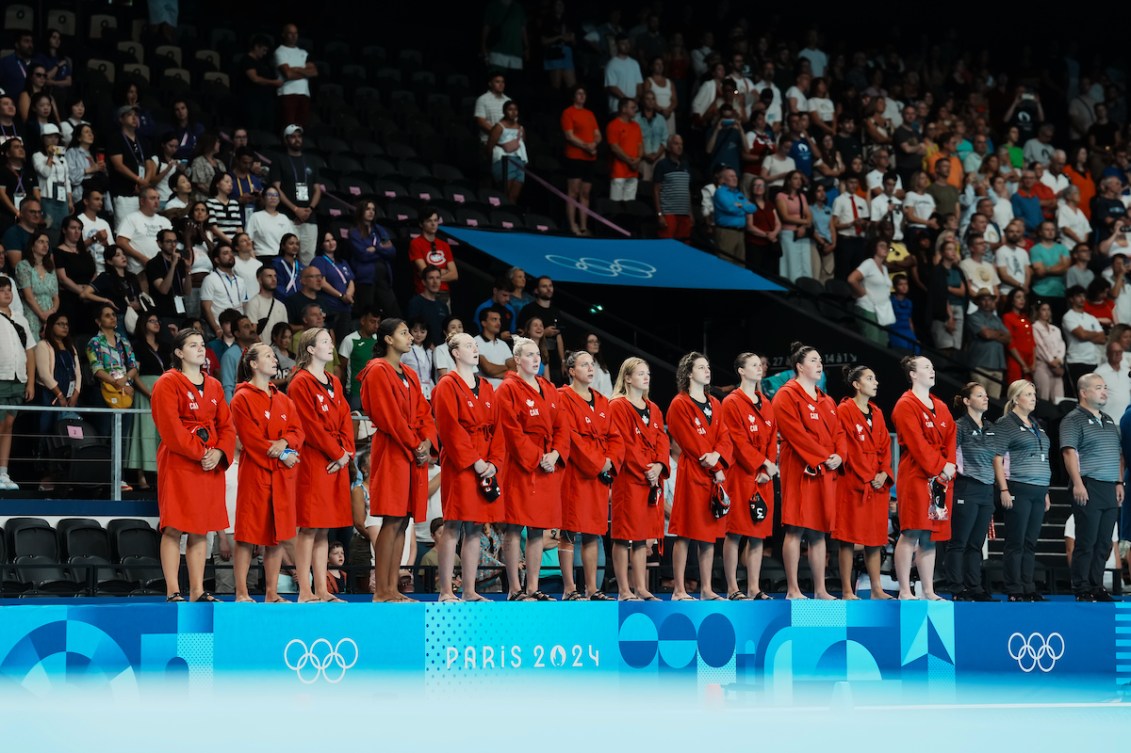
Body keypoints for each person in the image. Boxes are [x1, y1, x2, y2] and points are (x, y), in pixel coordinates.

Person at [150, 329, 235, 602]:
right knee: (174, 526)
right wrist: (202, 452)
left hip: (209, 463)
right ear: (178, 352)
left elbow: (227, 426)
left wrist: (220, 452)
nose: (200, 349)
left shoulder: (214, 385)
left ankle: (198, 590)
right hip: (180, 462)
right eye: (193, 345)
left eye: (201, 345)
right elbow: (170, 428)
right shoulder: (167, 382)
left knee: (201, 527)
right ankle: (173, 590)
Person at [357, 318, 437, 602]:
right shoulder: (377, 370)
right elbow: (387, 416)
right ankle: (381, 590)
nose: (410, 337)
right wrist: (416, 443)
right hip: (392, 450)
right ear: (388, 339)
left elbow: (424, 413)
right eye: (404, 332)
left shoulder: (410, 374)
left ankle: (393, 588)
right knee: (391, 520)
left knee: (403, 520)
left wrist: (427, 441)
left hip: (413, 453)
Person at [431, 332, 505, 602]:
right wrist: (475, 461)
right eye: (469, 346)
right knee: (454, 525)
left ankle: (470, 590)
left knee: (476, 527)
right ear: (455, 353)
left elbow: (498, 429)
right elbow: (450, 429)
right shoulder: (446, 385)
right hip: (462, 463)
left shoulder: (486, 386)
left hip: (486, 463)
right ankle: (446, 590)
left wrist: (494, 462)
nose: (475, 349)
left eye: (476, 346)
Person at [494, 336, 569, 600]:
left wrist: (555, 453)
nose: (536, 359)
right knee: (515, 526)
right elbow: (511, 431)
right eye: (529, 355)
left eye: (538, 354)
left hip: (548, 463)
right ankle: (515, 588)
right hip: (521, 466)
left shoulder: (548, 387)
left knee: (539, 528)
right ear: (517, 359)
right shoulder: (507, 388)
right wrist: (539, 457)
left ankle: (533, 587)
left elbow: (562, 426)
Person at [230, 343, 304, 603]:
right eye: (268, 356)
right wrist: (284, 454)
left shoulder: (283, 399)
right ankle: (242, 592)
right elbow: (251, 440)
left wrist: (284, 443)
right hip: (257, 474)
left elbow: (297, 431)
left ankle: (271, 593)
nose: (275, 359)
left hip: (282, 476)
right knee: (247, 535)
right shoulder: (241, 397)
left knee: (277, 535)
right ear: (253, 364)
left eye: (274, 355)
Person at [288, 328, 355, 603]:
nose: (331, 345)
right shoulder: (299, 383)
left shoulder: (334, 382)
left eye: (331, 340)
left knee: (324, 528)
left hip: (336, 461)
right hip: (315, 460)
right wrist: (337, 452)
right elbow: (309, 426)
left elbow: (346, 417)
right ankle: (305, 589)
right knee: (309, 527)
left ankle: (322, 589)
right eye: (325, 342)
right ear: (311, 349)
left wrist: (347, 452)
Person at [772, 342, 843, 600]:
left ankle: (820, 589)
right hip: (799, 468)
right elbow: (794, 433)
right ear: (799, 367)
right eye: (813, 360)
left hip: (824, 470)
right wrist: (824, 456)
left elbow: (839, 432)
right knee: (796, 527)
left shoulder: (826, 399)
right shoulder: (786, 395)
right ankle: (793, 589)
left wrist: (839, 455)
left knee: (818, 530)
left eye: (820, 360)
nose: (819, 364)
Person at [557, 350, 624, 601]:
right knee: (569, 530)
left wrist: (610, 461)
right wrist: (598, 462)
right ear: (572, 371)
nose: (590, 368)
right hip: (576, 473)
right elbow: (570, 438)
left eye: (592, 364)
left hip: (598, 474)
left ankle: (592, 589)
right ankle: (569, 588)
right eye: (584, 364)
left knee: (593, 532)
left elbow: (616, 437)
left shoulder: (603, 400)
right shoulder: (563, 397)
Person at [666, 351, 733, 600]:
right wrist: (714, 464)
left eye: (708, 367)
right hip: (693, 472)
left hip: (712, 475)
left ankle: (706, 588)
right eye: (702, 367)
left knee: (708, 534)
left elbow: (725, 436)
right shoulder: (679, 404)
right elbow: (689, 440)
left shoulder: (715, 403)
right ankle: (679, 589)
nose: (707, 371)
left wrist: (719, 458)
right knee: (685, 531)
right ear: (689, 372)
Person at [890, 356, 955, 600]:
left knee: (931, 534)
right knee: (912, 531)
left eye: (933, 366)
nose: (932, 370)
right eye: (926, 367)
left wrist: (949, 464)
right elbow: (916, 443)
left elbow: (951, 435)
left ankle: (928, 590)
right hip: (917, 476)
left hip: (941, 480)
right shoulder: (905, 405)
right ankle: (905, 590)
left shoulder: (941, 405)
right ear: (913, 374)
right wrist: (940, 466)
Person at [608, 357, 669, 601]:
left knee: (643, 535)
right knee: (624, 534)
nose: (646, 377)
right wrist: (647, 468)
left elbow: (662, 440)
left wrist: (660, 465)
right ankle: (624, 589)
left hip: (651, 479)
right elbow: (622, 442)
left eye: (648, 374)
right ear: (627, 378)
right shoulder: (617, 406)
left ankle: (641, 587)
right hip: (630, 477)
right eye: (640, 373)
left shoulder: (653, 408)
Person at [833, 365, 894, 600]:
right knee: (847, 538)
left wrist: (884, 472)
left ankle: (877, 589)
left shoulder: (877, 412)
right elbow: (846, 447)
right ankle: (848, 590)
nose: (875, 382)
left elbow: (885, 447)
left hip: (876, 484)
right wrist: (867, 475)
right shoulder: (844, 410)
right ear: (856, 384)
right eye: (870, 378)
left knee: (875, 538)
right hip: (852, 482)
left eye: (875, 378)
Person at [1061, 373, 1124, 602]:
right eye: (1098, 387)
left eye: (1105, 387)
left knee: (1105, 542)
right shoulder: (1073, 419)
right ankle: (1081, 587)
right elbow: (1069, 453)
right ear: (1084, 392)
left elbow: (1118, 455)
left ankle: (1096, 585)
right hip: (1088, 483)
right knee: (1086, 540)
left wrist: (1119, 482)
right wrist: (1077, 483)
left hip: (1109, 486)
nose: (1104, 391)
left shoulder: (1108, 420)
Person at [720, 352, 777, 600]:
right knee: (735, 532)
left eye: (760, 365)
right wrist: (762, 463)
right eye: (753, 365)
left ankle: (754, 587)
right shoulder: (731, 402)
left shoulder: (765, 402)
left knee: (758, 533)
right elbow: (737, 441)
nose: (759, 368)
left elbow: (773, 437)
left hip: (763, 477)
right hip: (741, 475)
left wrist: (768, 468)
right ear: (741, 371)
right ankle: (733, 587)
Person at [991, 379, 1052, 602]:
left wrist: (1046, 491)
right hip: (1018, 486)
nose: (1033, 398)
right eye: (1028, 394)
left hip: (1038, 488)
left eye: (1034, 394)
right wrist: (1004, 489)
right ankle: (1014, 587)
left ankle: (1028, 586)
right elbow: (997, 459)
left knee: (1030, 541)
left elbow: (1042, 459)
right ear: (1016, 398)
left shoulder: (1036, 424)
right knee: (1016, 540)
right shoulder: (1006, 423)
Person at [948, 383, 997, 601]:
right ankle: (958, 588)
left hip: (987, 489)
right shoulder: (959, 426)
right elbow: (951, 455)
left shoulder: (990, 426)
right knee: (959, 541)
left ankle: (974, 587)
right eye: (979, 395)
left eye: (986, 395)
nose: (985, 398)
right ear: (967, 401)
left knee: (976, 543)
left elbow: (998, 458)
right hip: (966, 486)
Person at [0, 277, 35, 490]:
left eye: (8, 290)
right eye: (2, 290)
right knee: (0, 424)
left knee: (9, 425)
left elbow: (30, 351)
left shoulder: (21, 318)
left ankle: (3, 473)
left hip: (18, 379)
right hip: (1, 377)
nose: (6, 293)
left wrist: (30, 382)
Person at [268, 124, 320, 263]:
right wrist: (295, 209)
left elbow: (317, 189)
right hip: (288, 216)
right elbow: (276, 188)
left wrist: (310, 209)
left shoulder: (311, 161)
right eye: (292, 137)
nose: (297, 139)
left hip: (309, 218)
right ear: (286, 140)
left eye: (299, 136)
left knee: (308, 258)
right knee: (289, 256)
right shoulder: (279, 160)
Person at [128, 312, 167, 490]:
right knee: (144, 430)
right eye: (152, 321)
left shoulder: (165, 346)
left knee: (161, 433)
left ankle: (161, 472)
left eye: (157, 320)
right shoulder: (137, 346)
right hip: (145, 391)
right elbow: (134, 374)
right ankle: (141, 476)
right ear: (143, 324)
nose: (156, 323)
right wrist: (149, 393)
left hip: (164, 390)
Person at [560, 85, 600, 236]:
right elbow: (569, 136)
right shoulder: (568, 112)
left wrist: (594, 144)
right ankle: (572, 225)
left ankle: (583, 226)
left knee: (585, 193)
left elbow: (598, 134)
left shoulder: (590, 113)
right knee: (573, 192)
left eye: (584, 93)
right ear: (573, 96)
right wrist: (586, 146)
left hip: (590, 157)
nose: (582, 96)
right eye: (579, 93)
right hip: (575, 157)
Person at [347, 199, 397, 317]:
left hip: (383, 278)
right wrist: (381, 249)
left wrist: (375, 248)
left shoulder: (379, 230)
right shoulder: (354, 232)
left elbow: (392, 251)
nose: (371, 212)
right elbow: (363, 255)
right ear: (361, 211)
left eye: (373, 209)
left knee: (394, 312)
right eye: (368, 209)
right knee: (367, 314)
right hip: (366, 279)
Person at [847, 238, 894, 346]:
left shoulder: (884, 268)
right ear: (874, 248)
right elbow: (852, 279)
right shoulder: (869, 263)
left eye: (887, 246)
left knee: (883, 344)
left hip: (882, 311)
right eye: (882, 245)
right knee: (873, 343)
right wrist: (863, 294)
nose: (885, 248)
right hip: (868, 308)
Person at [408, 208, 457, 306]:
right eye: (429, 221)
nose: (433, 224)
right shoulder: (416, 243)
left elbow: (454, 275)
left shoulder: (444, 245)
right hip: (425, 293)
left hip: (444, 293)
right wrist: (443, 271)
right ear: (421, 224)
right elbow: (425, 272)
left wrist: (433, 277)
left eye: (435, 220)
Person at [14, 230, 58, 338]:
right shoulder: (23, 266)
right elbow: (28, 297)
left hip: (50, 316)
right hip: (32, 314)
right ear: (32, 245)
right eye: (41, 242)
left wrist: (52, 313)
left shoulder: (50, 267)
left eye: (47, 243)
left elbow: (56, 297)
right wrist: (42, 314)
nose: (45, 245)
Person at [274, 23, 317, 127]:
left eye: (295, 33)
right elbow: (288, 74)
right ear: (284, 35)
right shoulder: (280, 51)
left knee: (301, 128)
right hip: (287, 93)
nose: (293, 36)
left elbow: (314, 72)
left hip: (304, 94)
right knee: (288, 127)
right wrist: (305, 72)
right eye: (290, 33)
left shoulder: (304, 52)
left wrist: (296, 69)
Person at [486, 100, 527, 205]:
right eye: (510, 109)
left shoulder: (521, 128)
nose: (513, 112)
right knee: (505, 193)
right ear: (504, 112)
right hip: (504, 161)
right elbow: (490, 145)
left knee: (514, 195)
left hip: (519, 162)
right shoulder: (499, 126)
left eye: (515, 109)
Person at [775, 170, 812, 281]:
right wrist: (804, 222)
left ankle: (806, 289)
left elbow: (809, 215)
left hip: (802, 233)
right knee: (792, 263)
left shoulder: (801, 196)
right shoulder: (781, 196)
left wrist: (803, 227)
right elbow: (785, 217)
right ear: (789, 181)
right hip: (788, 233)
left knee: (805, 264)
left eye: (800, 179)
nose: (798, 181)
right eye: (795, 178)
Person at [653, 134, 692, 241]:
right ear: (669, 146)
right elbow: (656, 190)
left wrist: (690, 212)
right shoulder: (662, 165)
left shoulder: (686, 165)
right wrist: (660, 214)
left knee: (684, 246)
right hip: (669, 213)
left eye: (681, 144)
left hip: (684, 213)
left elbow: (687, 190)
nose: (679, 147)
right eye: (676, 144)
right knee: (667, 246)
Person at [606, 97, 643, 203]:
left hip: (633, 172)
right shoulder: (613, 125)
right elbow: (614, 147)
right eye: (632, 107)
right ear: (623, 109)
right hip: (618, 172)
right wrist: (630, 161)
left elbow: (640, 145)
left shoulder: (636, 126)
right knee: (615, 204)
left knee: (630, 206)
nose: (635, 110)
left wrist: (638, 158)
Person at [246, 186, 296, 261]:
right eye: (269, 195)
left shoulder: (284, 218)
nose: (273, 197)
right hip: (262, 256)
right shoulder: (255, 217)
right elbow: (248, 239)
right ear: (263, 198)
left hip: (282, 258)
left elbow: (292, 240)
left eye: (276, 195)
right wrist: (254, 259)